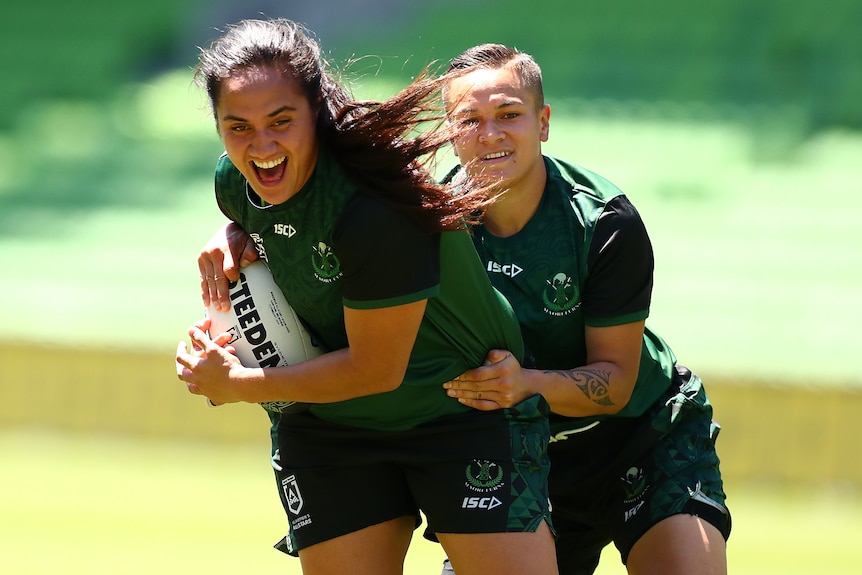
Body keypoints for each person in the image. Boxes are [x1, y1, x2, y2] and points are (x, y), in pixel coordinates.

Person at [174, 20, 558, 575]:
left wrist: (235, 385)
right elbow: (271, 228)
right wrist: (234, 239)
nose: (261, 147)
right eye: (238, 127)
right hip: (333, 426)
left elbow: (376, 369)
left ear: (318, 116)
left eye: (281, 122)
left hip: (460, 409)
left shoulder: (371, 209)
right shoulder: (237, 185)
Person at [436, 44, 731, 575]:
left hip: (640, 437)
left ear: (543, 122)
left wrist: (523, 382)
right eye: (470, 120)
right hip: (514, 453)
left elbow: (615, 382)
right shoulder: (427, 228)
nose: (491, 133)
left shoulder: (604, 221)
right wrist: (241, 234)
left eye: (509, 114)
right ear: (448, 133)